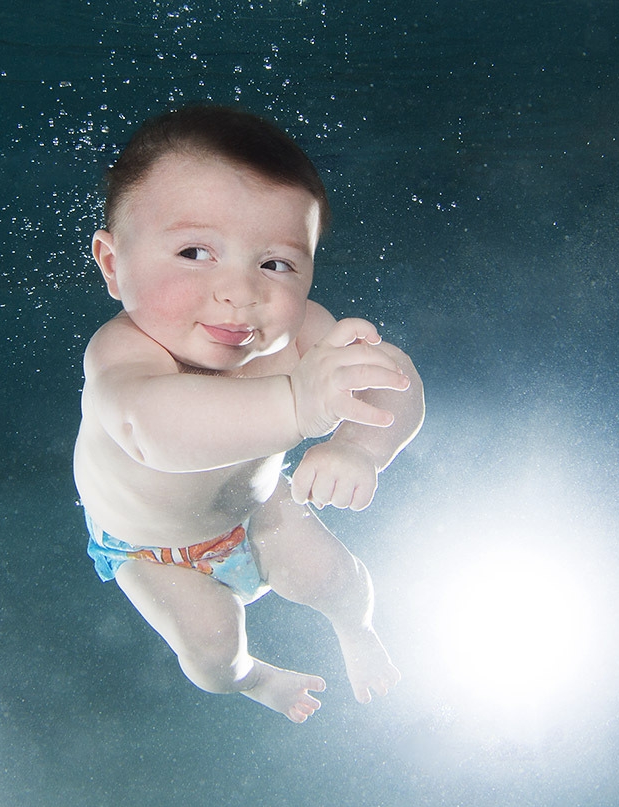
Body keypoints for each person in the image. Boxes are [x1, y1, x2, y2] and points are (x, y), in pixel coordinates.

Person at [74, 104, 424, 723]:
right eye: (194, 252)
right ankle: (254, 678)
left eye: (275, 264)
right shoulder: (123, 353)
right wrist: (299, 402)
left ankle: (357, 628)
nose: (240, 291)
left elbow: (393, 378)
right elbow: (153, 428)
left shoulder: (296, 335)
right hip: (155, 549)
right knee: (212, 653)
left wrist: (357, 447)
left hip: (260, 507)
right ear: (112, 264)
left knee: (335, 579)